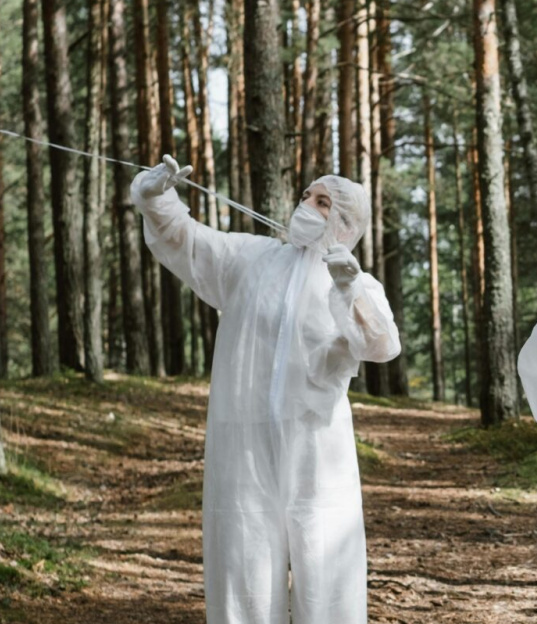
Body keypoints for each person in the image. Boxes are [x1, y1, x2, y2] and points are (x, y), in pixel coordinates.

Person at [132, 155, 401, 624]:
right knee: (242, 557)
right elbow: (189, 241)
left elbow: (381, 345)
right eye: (306, 196)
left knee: (326, 563)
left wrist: (350, 288)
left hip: (318, 443)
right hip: (244, 440)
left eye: (322, 202)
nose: (306, 206)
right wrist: (157, 195)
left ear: (344, 222)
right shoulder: (251, 259)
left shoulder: (357, 281)